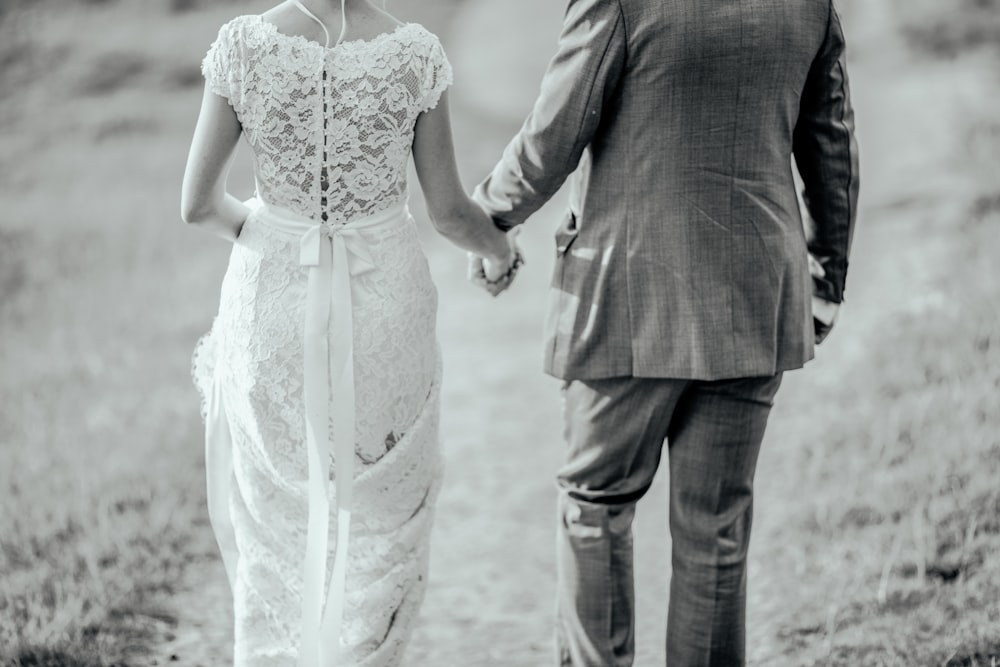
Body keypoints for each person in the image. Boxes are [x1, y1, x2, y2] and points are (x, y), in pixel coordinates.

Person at [469, 0, 859, 665]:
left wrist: (489, 216)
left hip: (627, 296)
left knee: (595, 504)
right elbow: (831, 144)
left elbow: (554, 133)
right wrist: (827, 275)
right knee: (717, 531)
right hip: (756, 294)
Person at [180, 0, 520, 664]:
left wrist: (256, 223)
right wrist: (500, 251)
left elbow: (196, 204)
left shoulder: (245, 45)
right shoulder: (412, 53)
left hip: (272, 302)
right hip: (383, 306)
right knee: (382, 514)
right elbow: (449, 211)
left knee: (276, 515)